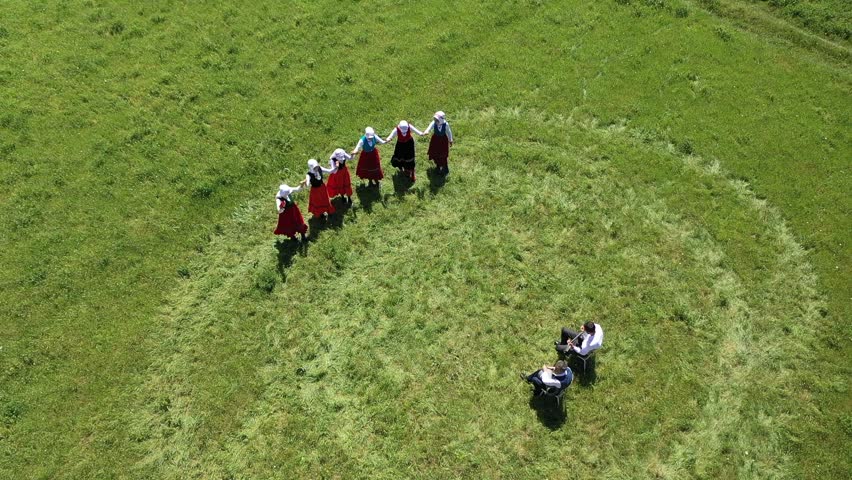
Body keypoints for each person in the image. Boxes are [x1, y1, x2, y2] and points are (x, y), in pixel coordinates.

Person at [423, 111, 453, 175]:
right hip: (435, 140)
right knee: (435, 152)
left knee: (443, 153)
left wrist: (450, 140)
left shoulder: (446, 124)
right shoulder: (434, 123)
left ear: (441, 120)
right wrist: (426, 131)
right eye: (435, 119)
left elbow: (449, 132)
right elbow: (429, 127)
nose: (435, 121)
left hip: (443, 140)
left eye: (437, 120)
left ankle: (445, 166)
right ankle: (438, 165)